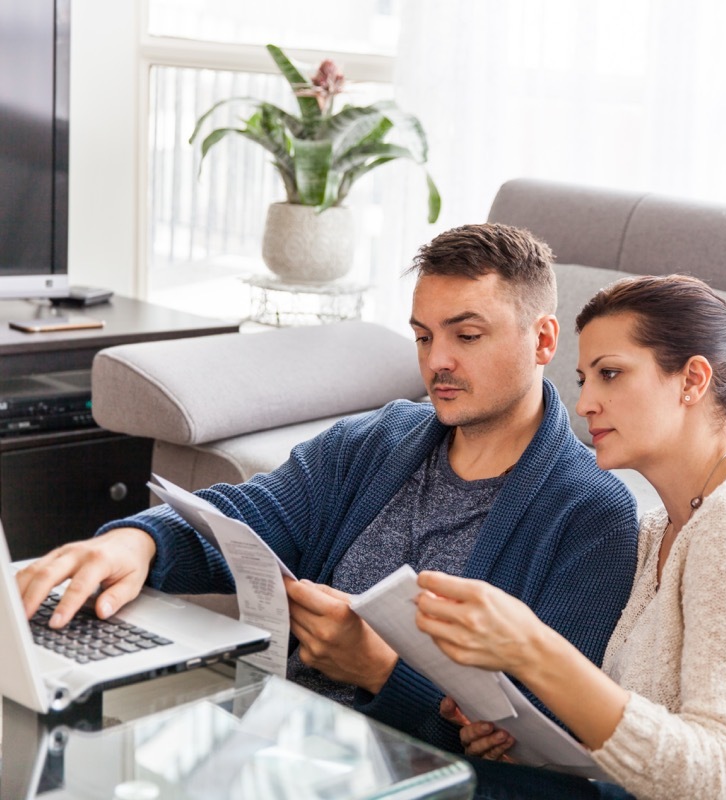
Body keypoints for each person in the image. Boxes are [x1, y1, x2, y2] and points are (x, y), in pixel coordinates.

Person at [16, 223, 640, 754]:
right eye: (423, 336)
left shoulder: (592, 515)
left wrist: (380, 670)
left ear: (544, 340)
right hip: (272, 743)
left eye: (466, 335)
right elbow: (243, 519)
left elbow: (545, 743)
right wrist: (136, 542)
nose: (437, 360)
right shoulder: (375, 442)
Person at [414, 274, 726, 800]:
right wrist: (524, 740)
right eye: (583, 380)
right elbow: (636, 740)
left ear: (692, 380)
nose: (585, 404)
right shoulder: (657, 533)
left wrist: (534, 650)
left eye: (611, 374)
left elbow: (725, 779)